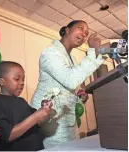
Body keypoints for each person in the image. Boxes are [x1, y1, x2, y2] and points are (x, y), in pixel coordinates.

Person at [30, 20, 105, 148]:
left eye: (86, 33)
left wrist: (79, 94)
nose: (84, 34)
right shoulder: (49, 53)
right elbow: (70, 80)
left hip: (68, 120)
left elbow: (69, 86)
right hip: (50, 119)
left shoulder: (73, 59)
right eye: (80, 28)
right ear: (67, 29)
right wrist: (92, 51)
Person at [0, 61, 52, 151]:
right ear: (2, 82)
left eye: (23, 79)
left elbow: (36, 122)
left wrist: (44, 110)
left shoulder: (22, 101)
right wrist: (36, 116)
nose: (22, 82)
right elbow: (8, 135)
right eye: (17, 79)